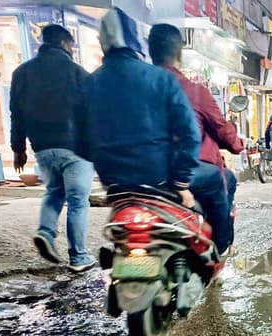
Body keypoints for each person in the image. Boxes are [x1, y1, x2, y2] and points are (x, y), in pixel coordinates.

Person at [83, 9, 200, 216]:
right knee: (198, 216)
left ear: (102, 42)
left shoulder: (88, 84)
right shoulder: (161, 79)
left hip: (113, 183)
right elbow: (191, 135)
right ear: (135, 39)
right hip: (156, 177)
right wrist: (181, 182)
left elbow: (79, 141)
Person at [148, 23, 243, 255]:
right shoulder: (194, 91)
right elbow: (221, 129)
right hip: (184, 171)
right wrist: (236, 144)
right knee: (224, 179)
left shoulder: (137, 89)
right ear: (179, 54)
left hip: (139, 172)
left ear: (151, 52)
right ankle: (220, 247)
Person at [10, 24, 95, 272]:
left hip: (43, 147)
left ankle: (46, 232)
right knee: (78, 201)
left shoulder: (21, 73)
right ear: (65, 44)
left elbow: (16, 115)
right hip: (76, 149)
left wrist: (18, 149)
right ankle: (78, 257)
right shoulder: (78, 73)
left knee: (54, 192)